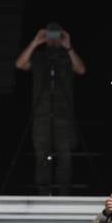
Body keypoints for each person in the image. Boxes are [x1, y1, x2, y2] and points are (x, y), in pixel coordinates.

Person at [14, 22, 86, 194]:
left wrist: (68, 47)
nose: (53, 40)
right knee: (41, 154)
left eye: (56, 36)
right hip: (41, 113)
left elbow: (81, 69)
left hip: (63, 114)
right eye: (50, 36)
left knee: (65, 154)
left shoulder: (67, 58)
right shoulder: (39, 58)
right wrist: (35, 42)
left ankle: (64, 193)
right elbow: (20, 64)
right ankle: (43, 192)